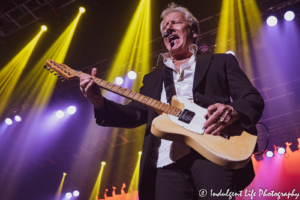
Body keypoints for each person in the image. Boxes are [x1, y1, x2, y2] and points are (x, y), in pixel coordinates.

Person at [79, 3, 264, 200]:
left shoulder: (220, 62)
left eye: (175, 23)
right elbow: (134, 114)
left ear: (193, 30)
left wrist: (232, 111)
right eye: (165, 27)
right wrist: (99, 101)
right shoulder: (153, 78)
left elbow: (251, 98)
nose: (168, 29)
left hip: (213, 151)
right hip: (166, 162)